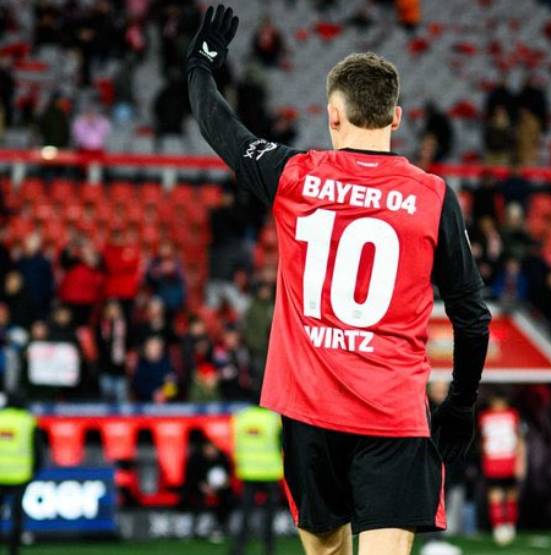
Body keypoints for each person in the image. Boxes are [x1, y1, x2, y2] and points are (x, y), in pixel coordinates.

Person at [186, 7, 490, 555]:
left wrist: (201, 68)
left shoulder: (294, 175)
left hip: (311, 415)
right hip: (393, 417)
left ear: (332, 115)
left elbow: (222, 129)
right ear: (396, 118)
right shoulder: (433, 196)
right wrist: (462, 402)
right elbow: (471, 316)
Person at [231, 406, 283, 555]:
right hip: (270, 472)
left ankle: (239, 548)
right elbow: (283, 443)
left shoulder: (240, 417)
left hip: (248, 472)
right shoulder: (274, 418)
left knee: (246, 512)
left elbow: (235, 444)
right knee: (270, 515)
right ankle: (269, 548)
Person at [478, 391, 525, 546]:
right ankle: (499, 527)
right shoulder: (484, 416)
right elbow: (482, 442)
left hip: (509, 462)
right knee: (495, 496)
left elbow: (519, 439)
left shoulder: (512, 415)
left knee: (511, 495)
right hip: (493, 464)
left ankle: (510, 525)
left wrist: (520, 462)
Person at [0, 393, 43, 555]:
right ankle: (14, 549)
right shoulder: (28, 421)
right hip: (20, 476)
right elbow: (37, 450)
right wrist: (35, 470)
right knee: (17, 515)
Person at [182, 433, 233, 543]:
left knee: (228, 497)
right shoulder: (195, 458)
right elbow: (191, 477)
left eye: (213, 449)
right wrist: (203, 487)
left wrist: (223, 484)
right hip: (198, 487)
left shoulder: (222, 458)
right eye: (209, 449)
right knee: (190, 496)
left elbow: (228, 476)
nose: (211, 451)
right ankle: (194, 529)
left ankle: (219, 527)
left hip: (219, 488)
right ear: (204, 449)